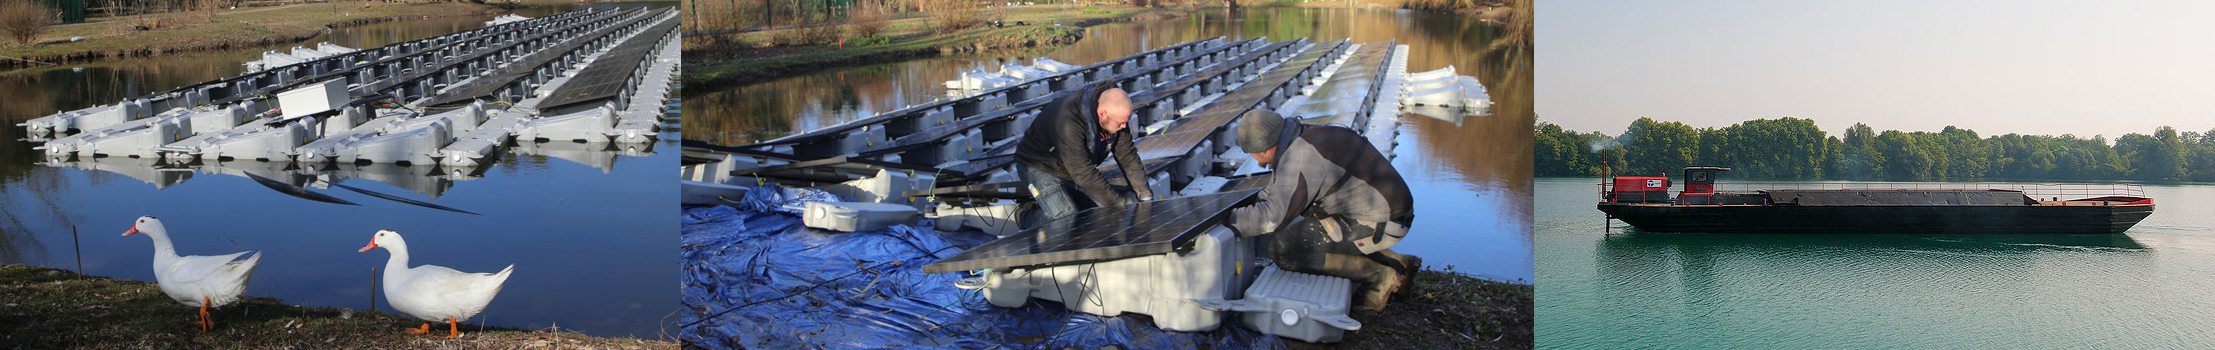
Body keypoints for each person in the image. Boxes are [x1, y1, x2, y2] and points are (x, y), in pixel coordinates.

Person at [1224, 110, 1421, 312]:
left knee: (1286, 247)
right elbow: (1276, 191)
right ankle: (1399, 263)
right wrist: (1245, 206)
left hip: (1380, 221)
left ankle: (1378, 275)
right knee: (1307, 221)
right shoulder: (1302, 136)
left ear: (1264, 149)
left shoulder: (1301, 158)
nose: (1256, 161)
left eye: (1252, 153)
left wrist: (1229, 221)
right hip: (1387, 211)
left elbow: (1274, 218)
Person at [1012, 83, 1156, 220]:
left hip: (1073, 169)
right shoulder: (1070, 121)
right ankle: (1026, 216)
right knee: (1068, 222)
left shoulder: (1115, 117)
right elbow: (1083, 172)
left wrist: (1145, 195)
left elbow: (1128, 156)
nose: (1124, 126)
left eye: (1126, 122)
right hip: (1039, 166)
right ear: (1102, 114)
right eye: (1120, 123)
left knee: (1105, 213)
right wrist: (1117, 204)